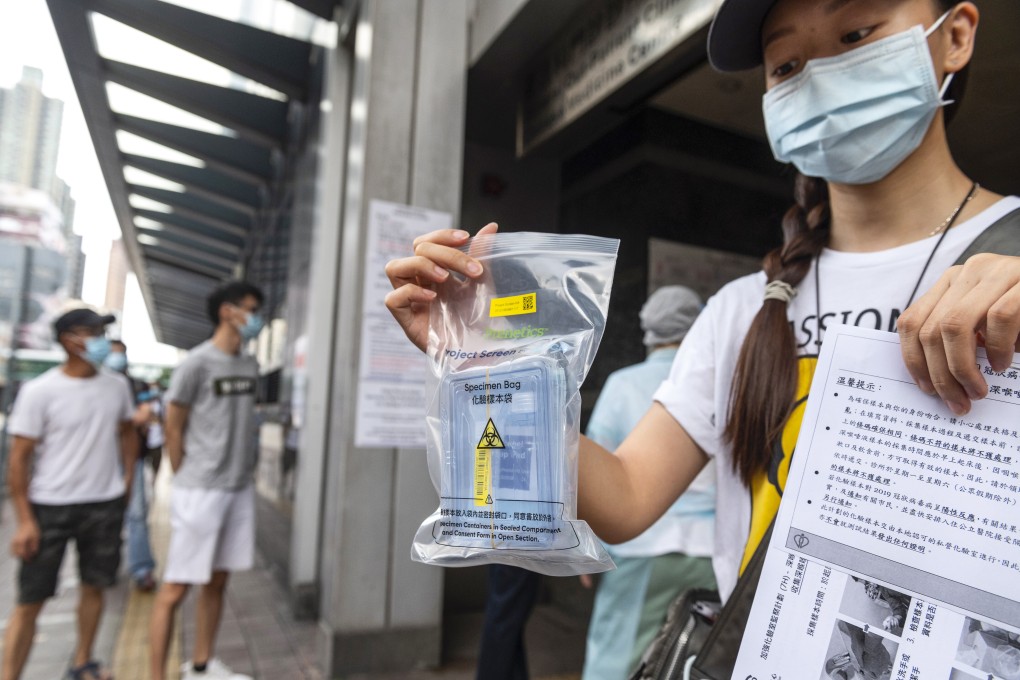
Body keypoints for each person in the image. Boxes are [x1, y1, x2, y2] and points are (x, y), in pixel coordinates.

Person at [385, 0, 1018, 656]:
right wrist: (484, 358)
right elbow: (626, 496)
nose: (823, 76)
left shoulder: (1013, 261)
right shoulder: (741, 310)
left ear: (958, 35)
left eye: (856, 33)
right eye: (788, 64)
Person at [581, 286, 716, 680]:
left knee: (617, 659)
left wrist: (591, 544)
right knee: (695, 661)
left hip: (641, 549)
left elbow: (594, 468)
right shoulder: (721, 383)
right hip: (713, 550)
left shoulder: (624, 383)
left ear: (648, 329)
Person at [2, 308, 137, 680]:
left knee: (95, 587)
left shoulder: (116, 386)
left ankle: (83, 662)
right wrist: (25, 520)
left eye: (100, 331)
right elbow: (18, 460)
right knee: (31, 600)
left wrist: (125, 483)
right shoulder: (39, 391)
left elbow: (128, 431)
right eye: (91, 332)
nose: (99, 340)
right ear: (68, 340)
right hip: (49, 508)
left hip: (103, 505)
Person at [149, 281, 264, 680]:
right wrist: (185, 479)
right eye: (250, 308)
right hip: (200, 490)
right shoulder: (195, 363)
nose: (257, 318)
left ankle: (201, 666)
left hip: (238, 488)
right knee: (176, 589)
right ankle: (155, 674)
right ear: (227, 312)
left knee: (217, 581)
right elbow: (174, 427)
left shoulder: (250, 365)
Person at [105, 339, 158, 591]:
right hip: (100, 461)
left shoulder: (136, 384)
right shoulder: (98, 383)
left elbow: (145, 414)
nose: (116, 358)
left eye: (119, 353)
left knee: (136, 513)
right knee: (105, 515)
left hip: (131, 458)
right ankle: (105, 567)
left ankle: (141, 568)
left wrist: (116, 422)